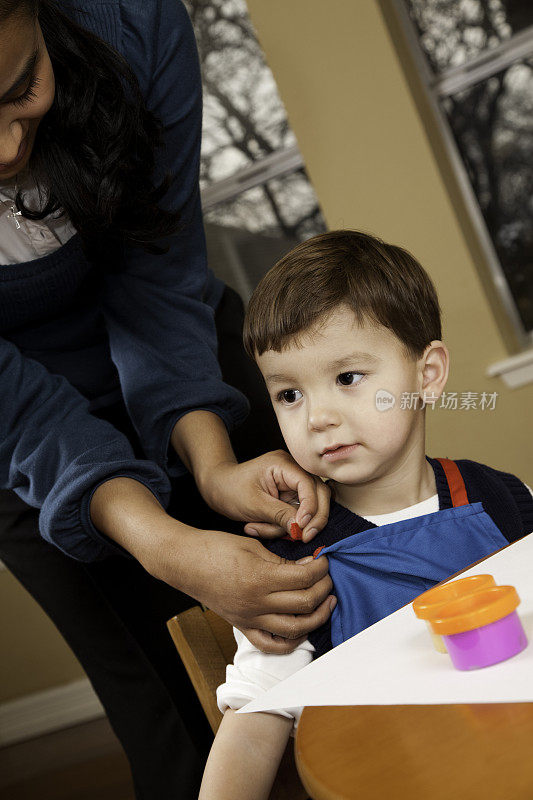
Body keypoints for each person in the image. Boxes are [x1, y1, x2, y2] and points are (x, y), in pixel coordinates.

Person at [0, 1, 336, 797]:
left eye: (21, 87)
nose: (9, 148)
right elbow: (15, 409)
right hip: (14, 441)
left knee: (341, 618)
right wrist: (160, 543)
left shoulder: (134, 19)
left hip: (180, 348)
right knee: (175, 716)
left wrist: (213, 471)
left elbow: (156, 276)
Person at [199, 229, 533, 800]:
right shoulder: (290, 566)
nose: (318, 417)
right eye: (289, 394)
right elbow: (255, 723)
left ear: (425, 377)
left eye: (347, 379)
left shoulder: (507, 498)